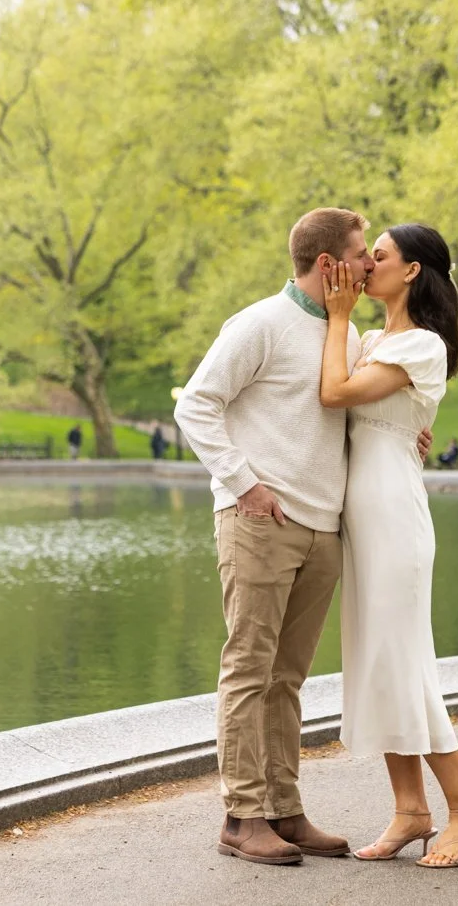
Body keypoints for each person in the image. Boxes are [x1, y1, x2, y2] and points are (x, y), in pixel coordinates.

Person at [176, 207, 432, 867]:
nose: (371, 265)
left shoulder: (348, 337)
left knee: (286, 678)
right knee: (249, 667)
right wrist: (244, 483)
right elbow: (195, 404)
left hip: (325, 530)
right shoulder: (260, 323)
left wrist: (407, 432)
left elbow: (346, 410)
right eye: (361, 254)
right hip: (260, 522)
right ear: (329, 264)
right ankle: (242, 814)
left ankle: (284, 810)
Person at [318, 224, 458, 869]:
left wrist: (336, 316)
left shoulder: (420, 344)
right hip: (361, 518)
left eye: (380, 257)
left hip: (393, 517)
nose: (366, 266)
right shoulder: (373, 340)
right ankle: (410, 810)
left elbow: (335, 393)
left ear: (412, 271)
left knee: (404, 662)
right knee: (376, 661)